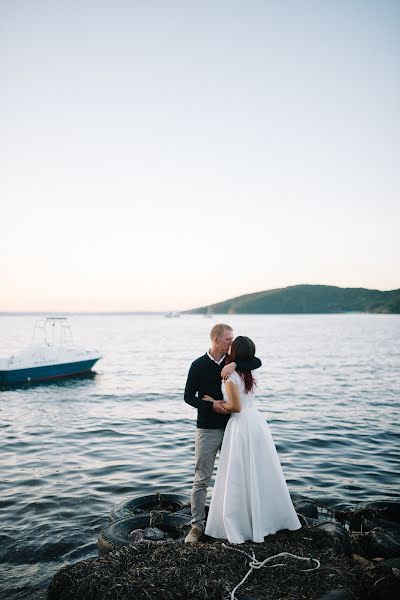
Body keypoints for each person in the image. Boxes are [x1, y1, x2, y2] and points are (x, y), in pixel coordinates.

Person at [204, 335, 301, 544]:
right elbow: (252, 367)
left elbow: (235, 407)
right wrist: (235, 364)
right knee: (260, 470)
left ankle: (241, 522)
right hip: (256, 421)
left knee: (238, 473)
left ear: (235, 353)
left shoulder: (231, 377)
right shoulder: (251, 372)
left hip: (240, 424)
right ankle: (265, 517)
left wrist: (214, 402)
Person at [184, 324, 262, 543]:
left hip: (233, 428)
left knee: (235, 477)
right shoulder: (198, 365)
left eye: (233, 339)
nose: (231, 342)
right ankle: (197, 526)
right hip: (208, 429)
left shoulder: (234, 362)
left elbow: (257, 361)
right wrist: (212, 406)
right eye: (228, 339)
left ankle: (236, 520)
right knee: (202, 478)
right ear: (216, 340)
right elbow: (188, 397)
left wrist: (236, 362)